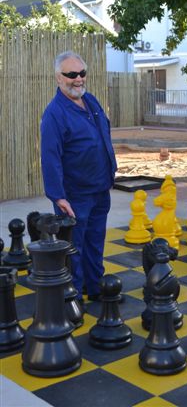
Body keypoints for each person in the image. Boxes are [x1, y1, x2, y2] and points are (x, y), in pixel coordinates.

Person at [40, 51, 117, 302]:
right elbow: (50, 156)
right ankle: (72, 299)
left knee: (95, 242)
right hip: (74, 195)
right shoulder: (54, 113)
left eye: (82, 73)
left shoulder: (90, 101)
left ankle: (94, 288)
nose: (78, 79)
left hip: (99, 187)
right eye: (71, 74)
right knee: (74, 248)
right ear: (58, 78)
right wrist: (57, 195)